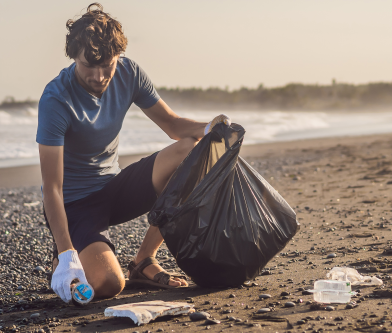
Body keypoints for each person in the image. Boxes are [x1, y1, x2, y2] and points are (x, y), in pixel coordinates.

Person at [36, 3, 231, 303]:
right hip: (75, 205)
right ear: (73, 56)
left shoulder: (129, 73)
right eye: (90, 66)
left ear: (118, 57)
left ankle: (144, 260)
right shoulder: (56, 99)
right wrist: (66, 255)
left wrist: (213, 129)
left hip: (115, 189)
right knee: (110, 284)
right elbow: (52, 188)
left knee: (191, 151)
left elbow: (172, 125)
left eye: (108, 65)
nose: (100, 76)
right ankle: (63, 261)